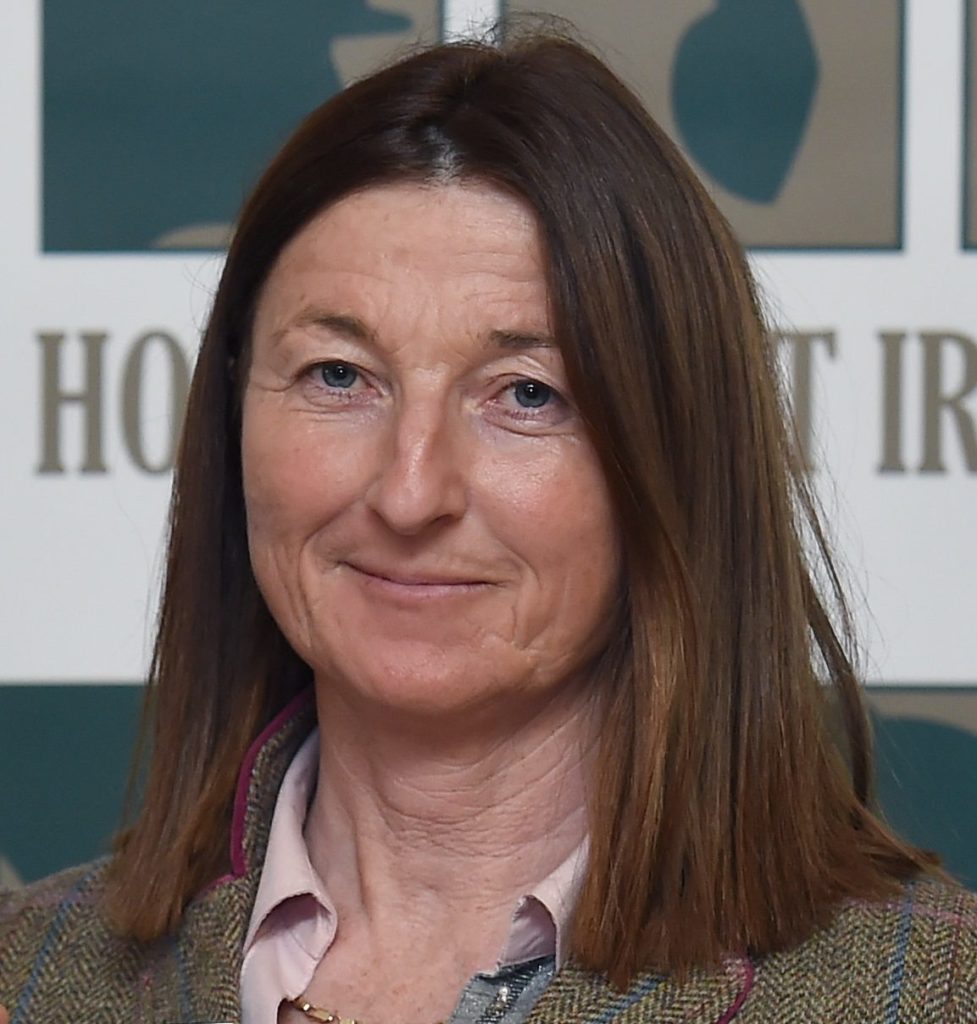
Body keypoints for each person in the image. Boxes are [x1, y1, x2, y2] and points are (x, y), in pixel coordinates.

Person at [2, 26, 975, 1024]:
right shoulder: (26, 975)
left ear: (673, 459)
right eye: (338, 375)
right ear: (233, 418)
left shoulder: (928, 993)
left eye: (525, 394)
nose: (410, 491)